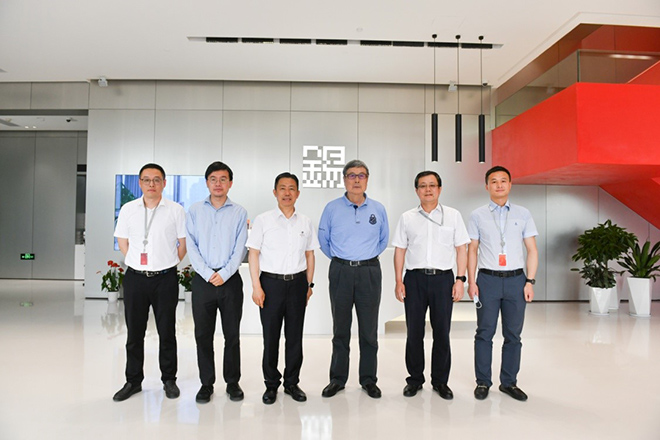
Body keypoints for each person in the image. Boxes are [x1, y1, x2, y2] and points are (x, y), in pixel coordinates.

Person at [112, 163, 187, 402]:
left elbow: (182, 244)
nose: (151, 184)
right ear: (140, 183)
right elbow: (123, 241)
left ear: (164, 183)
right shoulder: (128, 209)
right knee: (135, 333)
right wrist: (137, 262)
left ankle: (169, 380)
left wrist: (167, 263)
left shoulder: (175, 210)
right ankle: (133, 381)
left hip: (165, 278)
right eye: (146, 180)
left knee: (167, 331)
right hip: (136, 279)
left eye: (156, 180)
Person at [392, 171, 469, 399]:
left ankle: (440, 381)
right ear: (417, 190)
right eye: (423, 186)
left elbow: (461, 249)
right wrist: (398, 281)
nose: (428, 189)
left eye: (432, 185)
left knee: (442, 333)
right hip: (414, 280)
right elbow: (400, 250)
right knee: (414, 332)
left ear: (440, 189)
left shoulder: (453, 216)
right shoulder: (407, 218)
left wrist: (460, 279)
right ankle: (415, 379)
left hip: (443, 280)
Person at [318, 159, 389, 399]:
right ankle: (337, 379)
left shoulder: (378, 209)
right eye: (351, 175)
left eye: (361, 175)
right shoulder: (332, 208)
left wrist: (363, 258)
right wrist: (343, 260)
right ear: (344, 179)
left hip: (369, 271)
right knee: (340, 329)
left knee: (369, 330)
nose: (356, 180)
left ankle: (368, 379)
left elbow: (383, 240)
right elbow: (324, 241)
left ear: (367, 179)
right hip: (341, 271)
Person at [467, 165, 538, 402]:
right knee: (484, 333)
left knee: (513, 335)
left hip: (516, 280)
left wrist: (529, 281)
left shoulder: (523, 214)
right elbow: (472, 250)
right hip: (487, 280)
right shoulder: (477, 215)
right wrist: (471, 281)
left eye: (503, 181)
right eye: (494, 181)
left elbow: (532, 250)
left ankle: (509, 382)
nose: (499, 185)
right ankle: (483, 382)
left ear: (510, 184)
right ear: (486, 186)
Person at [246, 172, 319, 405]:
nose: (287, 193)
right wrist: (256, 286)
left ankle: (292, 383)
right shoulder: (263, 220)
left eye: (291, 188)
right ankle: (271, 384)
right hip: (270, 284)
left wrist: (309, 284)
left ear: (298, 193)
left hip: (297, 284)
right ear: (275, 192)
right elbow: (253, 254)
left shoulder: (305, 222)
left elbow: (310, 254)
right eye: (282, 188)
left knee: (295, 337)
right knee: (271, 337)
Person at [186, 161, 248, 403]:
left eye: (223, 179)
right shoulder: (194, 211)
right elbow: (191, 245)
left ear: (230, 183)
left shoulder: (239, 212)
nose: (218, 184)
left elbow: (240, 247)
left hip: (230, 281)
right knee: (203, 334)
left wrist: (224, 273)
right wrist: (205, 273)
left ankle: (232, 382)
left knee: (232, 335)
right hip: (203, 281)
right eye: (213, 179)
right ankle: (206, 383)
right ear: (207, 183)